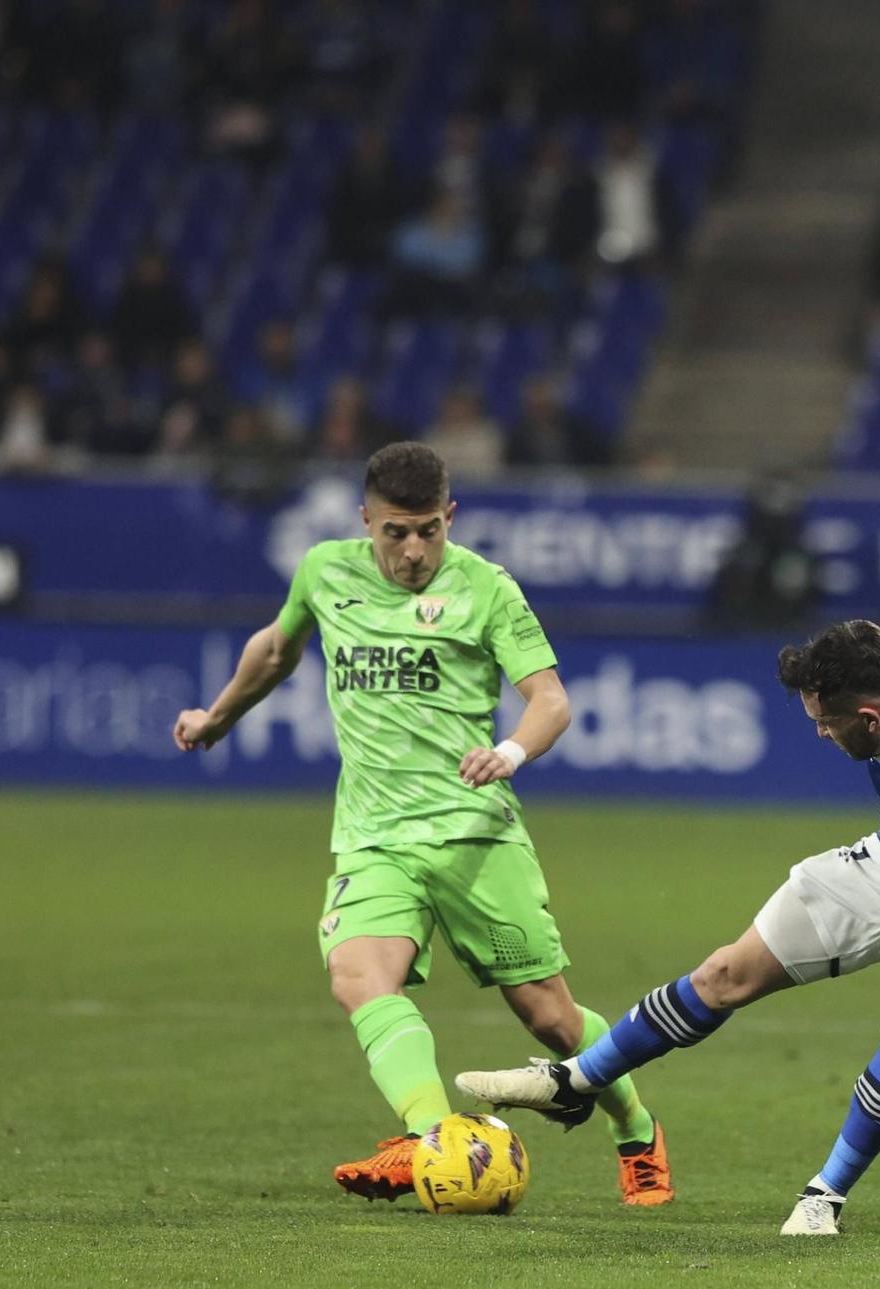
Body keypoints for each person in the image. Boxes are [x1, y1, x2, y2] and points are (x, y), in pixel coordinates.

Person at [457, 620, 880, 1236]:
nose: (819, 733)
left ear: (868, 718)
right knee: (725, 973)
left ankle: (825, 1196)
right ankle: (574, 1084)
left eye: (825, 722)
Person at [170, 442, 672, 1207]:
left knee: (551, 1016)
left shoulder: (487, 588)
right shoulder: (325, 571)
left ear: (451, 518)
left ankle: (635, 1130)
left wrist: (509, 751)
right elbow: (276, 648)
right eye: (396, 532)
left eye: (430, 531)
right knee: (357, 976)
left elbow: (551, 700)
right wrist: (216, 716)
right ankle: (432, 1140)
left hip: (475, 836)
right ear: (365, 519)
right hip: (374, 838)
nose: (413, 551)